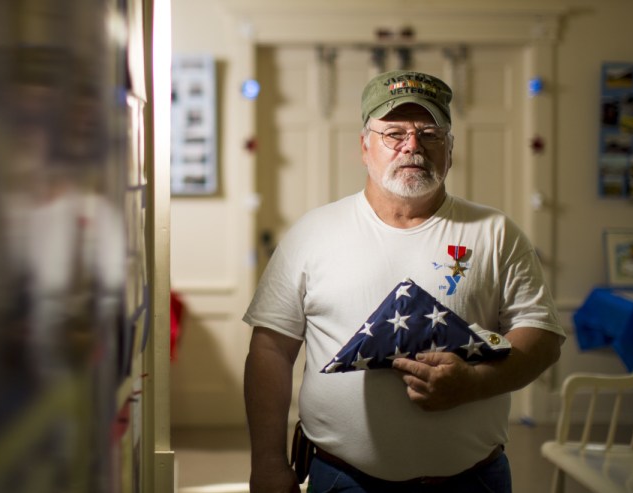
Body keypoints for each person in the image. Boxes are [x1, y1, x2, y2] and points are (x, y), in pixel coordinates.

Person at [242, 70, 565, 493]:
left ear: (450, 148)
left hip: (473, 480)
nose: (412, 146)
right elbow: (270, 349)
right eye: (393, 133)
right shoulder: (312, 233)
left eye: (430, 133)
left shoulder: (495, 232)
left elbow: (542, 337)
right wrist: (267, 463)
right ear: (364, 146)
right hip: (342, 478)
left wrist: (474, 383)